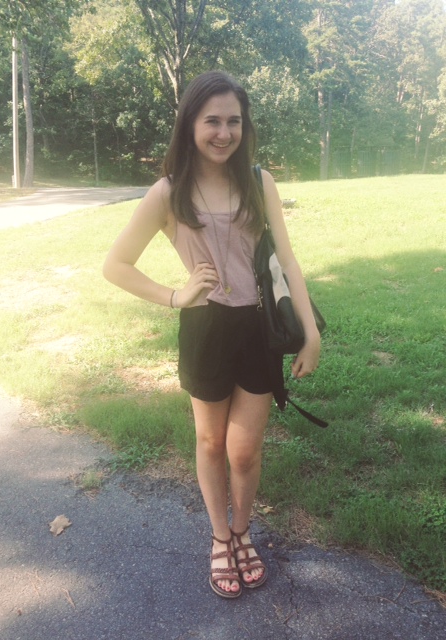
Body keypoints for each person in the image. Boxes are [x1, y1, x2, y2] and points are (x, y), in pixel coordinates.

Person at [103, 71, 320, 599]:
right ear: (190, 125)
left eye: (234, 122)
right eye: (213, 121)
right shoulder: (169, 191)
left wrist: (310, 333)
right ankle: (220, 538)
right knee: (209, 441)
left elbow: (288, 260)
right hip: (205, 328)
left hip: (258, 327)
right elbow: (116, 265)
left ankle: (243, 531)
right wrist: (175, 296)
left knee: (243, 450)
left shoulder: (259, 181)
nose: (224, 133)